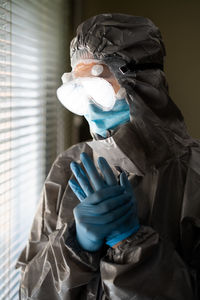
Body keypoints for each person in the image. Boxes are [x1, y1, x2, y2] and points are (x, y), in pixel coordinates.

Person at [16, 13, 200, 299]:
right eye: (79, 89)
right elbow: (30, 291)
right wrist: (74, 247)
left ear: (143, 84)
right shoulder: (69, 166)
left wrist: (131, 244)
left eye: (100, 89)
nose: (90, 106)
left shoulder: (193, 173)